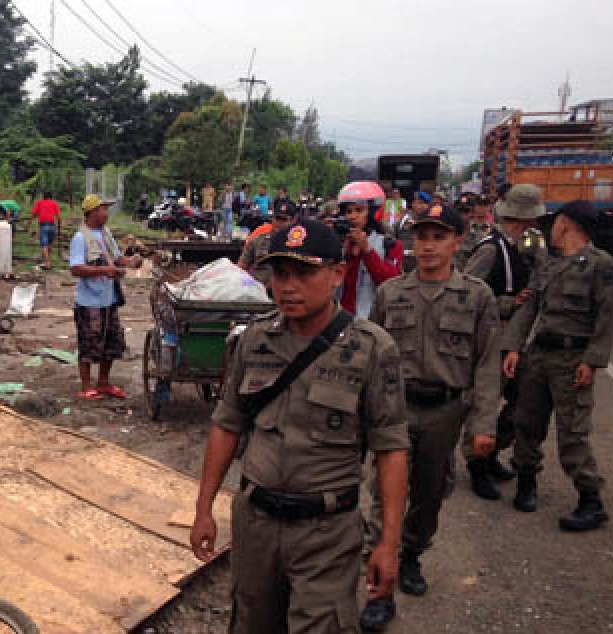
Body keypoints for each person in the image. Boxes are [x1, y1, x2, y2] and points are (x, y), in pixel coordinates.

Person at [190, 219, 409, 634]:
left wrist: (388, 543)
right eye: (280, 274)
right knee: (251, 621)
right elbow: (226, 424)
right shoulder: (253, 341)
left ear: (337, 274)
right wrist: (204, 508)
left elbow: (391, 449)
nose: (288, 286)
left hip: (326, 532)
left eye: (304, 273)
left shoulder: (371, 349)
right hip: (256, 524)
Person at [362, 204, 500, 631]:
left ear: (458, 242)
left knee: (429, 492)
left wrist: (483, 424)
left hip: (445, 412)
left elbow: (488, 363)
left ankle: (412, 555)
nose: (427, 245)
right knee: (385, 496)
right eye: (421, 236)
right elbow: (369, 355)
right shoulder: (392, 294)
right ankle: (379, 588)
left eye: (438, 236)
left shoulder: (476, 296)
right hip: (395, 411)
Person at [502, 200, 613, 531]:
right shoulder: (550, 266)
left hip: (573, 360)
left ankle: (590, 499)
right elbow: (529, 309)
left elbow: (606, 319)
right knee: (527, 421)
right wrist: (513, 347)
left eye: (554, 222)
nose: (549, 228)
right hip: (539, 356)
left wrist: (592, 362)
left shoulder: (601, 266)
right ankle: (526, 482)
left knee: (572, 431)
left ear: (566, 224)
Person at [460, 184, 547, 500]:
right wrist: (508, 303)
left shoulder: (518, 246)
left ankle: (492, 450)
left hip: (513, 338)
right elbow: (466, 296)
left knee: (522, 401)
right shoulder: (491, 248)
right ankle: (477, 464)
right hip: (491, 337)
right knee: (483, 402)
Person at [68, 194, 142, 401]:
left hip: (109, 299)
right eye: (103, 209)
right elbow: (75, 269)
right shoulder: (80, 238)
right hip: (90, 302)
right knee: (89, 344)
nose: (106, 213)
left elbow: (117, 258)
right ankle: (86, 386)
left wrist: (130, 262)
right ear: (92, 212)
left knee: (112, 342)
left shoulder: (105, 234)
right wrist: (104, 271)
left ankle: (103, 383)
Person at [336, 181, 403, 317]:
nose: (352, 216)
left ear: (373, 212)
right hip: (340, 320)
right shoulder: (340, 245)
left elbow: (390, 284)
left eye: (359, 210)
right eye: (349, 211)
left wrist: (367, 250)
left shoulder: (390, 245)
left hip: (372, 322)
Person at [237, 203, 295, 273]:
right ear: (272, 219)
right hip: (259, 282)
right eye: (277, 218)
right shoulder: (258, 240)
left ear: (291, 222)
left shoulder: (296, 244)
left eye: (283, 220)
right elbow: (241, 266)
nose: (279, 222)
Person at [31, 191, 62, 268]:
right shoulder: (54, 203)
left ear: (43, 196)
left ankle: (47, 263)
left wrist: (35, 217)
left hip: (43, 225)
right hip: (52, 226)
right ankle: (45, 260)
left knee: (44, 245)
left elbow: (34, 213)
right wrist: (59, 226)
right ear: (51, 197)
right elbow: (58, 216)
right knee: (49, 244)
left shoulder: (39, 203)